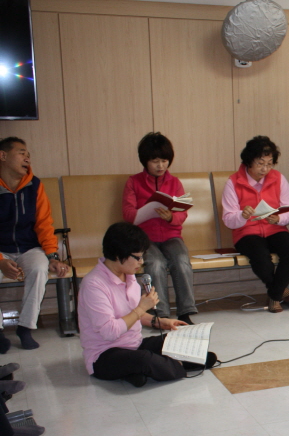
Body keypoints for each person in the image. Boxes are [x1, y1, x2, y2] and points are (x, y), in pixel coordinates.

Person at [78, 223, 215, 388]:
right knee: (144, 360)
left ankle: (142, 372)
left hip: (135, 345)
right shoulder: (94, 284)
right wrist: (141, 307)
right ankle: (173, 365)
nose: (141, 262)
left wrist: (161, 322)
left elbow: (134, 315)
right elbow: (110, 331)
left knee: (179, 342)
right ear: (118, 254)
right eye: (137, 257)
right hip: (105, 355)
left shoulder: (128, 276)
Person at [0, 137, 69, 352]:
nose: (27, 158)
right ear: (3, 156)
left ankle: (25, 327)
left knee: (39, 269)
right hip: (1, 251)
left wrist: (52, 256)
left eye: (28, 154)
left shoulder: (35, 185)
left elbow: (44, 224)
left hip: (29, 248)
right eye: (21, 153)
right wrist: (0, 260)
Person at [122, 133, 197, 325]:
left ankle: (185, 312)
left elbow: (182, 213)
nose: (161, 166)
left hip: (172, 236)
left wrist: (171, 217)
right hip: (145, 238)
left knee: (181, 261)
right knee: (155, 264)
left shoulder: (175, 182)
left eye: (164, 161)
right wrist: (145, 212)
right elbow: (128, 214)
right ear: (145, 161)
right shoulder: (133, 182)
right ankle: (160, 315)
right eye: (155, 161)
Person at [222, 136, 289, 313]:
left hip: (275, 229)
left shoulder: (278, 178)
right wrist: (242, 216)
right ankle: (278, 293)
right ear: (249, 161)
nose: (265, 169)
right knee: (261, 259)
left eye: (269, 164)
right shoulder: (233, 182)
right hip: (246, 232)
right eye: (260, 163)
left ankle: (274, 295)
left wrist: (279, 219)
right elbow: (228, 218)